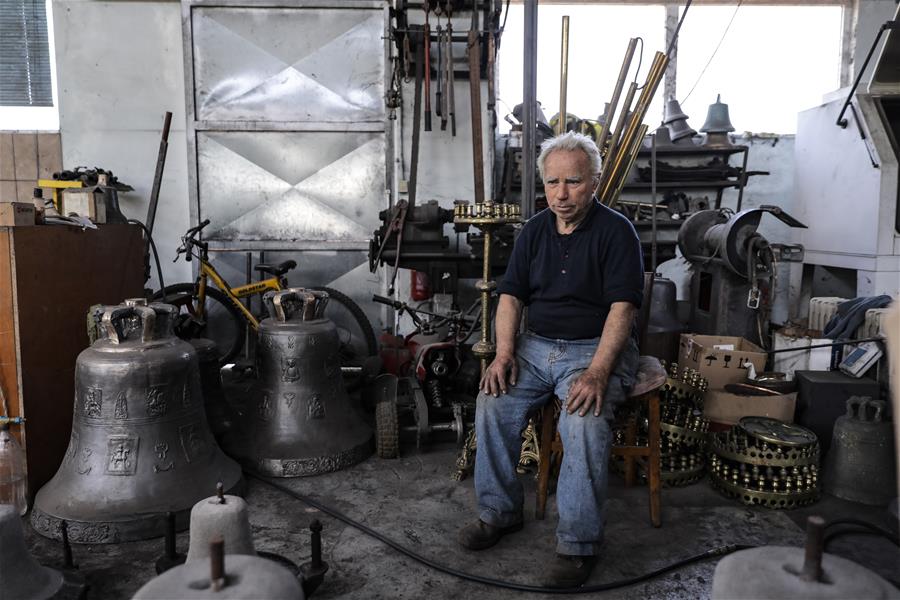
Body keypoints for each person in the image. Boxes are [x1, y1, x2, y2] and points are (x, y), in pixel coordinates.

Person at [457, 131, 644, 588]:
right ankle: (499, 513)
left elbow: (623, 308)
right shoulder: (535, 230)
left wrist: (599, 371)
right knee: (493, 400)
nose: (562, 194)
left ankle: (578, 545)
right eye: (553, 182)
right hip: (536, 346)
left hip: (594, 348)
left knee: (582, 419)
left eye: (574, 182)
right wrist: (503, 354)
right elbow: (510, 297)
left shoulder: (617, 231)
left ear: (595, 181)